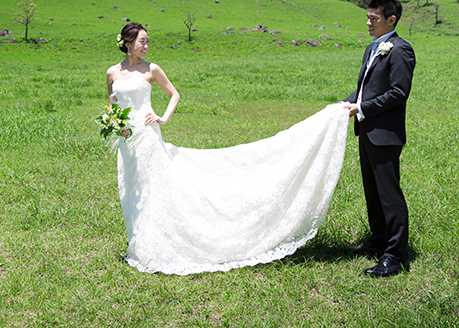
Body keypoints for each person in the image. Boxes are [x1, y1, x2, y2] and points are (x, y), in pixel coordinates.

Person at [106, 22, 350, 275]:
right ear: (127, 43)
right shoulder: (112, 73)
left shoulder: (151, 69)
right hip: (126, 139)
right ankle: (139, 241)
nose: (146, 46)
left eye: (148, 41)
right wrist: (116, 125)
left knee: (154, 187)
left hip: (147, 136)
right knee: (132, 188)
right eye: (142, 41)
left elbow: (174, 95)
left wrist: (163, 118)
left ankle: (157, 245)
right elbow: (112, 104)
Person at [341, 0, 416, 277]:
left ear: (391, 20)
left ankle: (396, 255)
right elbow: (365, 90)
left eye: (374, 18)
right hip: (367, 130)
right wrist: (344, 104)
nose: (368, 23)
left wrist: (362, 108)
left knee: (388, 194)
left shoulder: (400, 50)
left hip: (385, 133)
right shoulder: (372, 48)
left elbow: (399, 92)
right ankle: (378, 239)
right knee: (372, 191)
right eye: (368, 17)